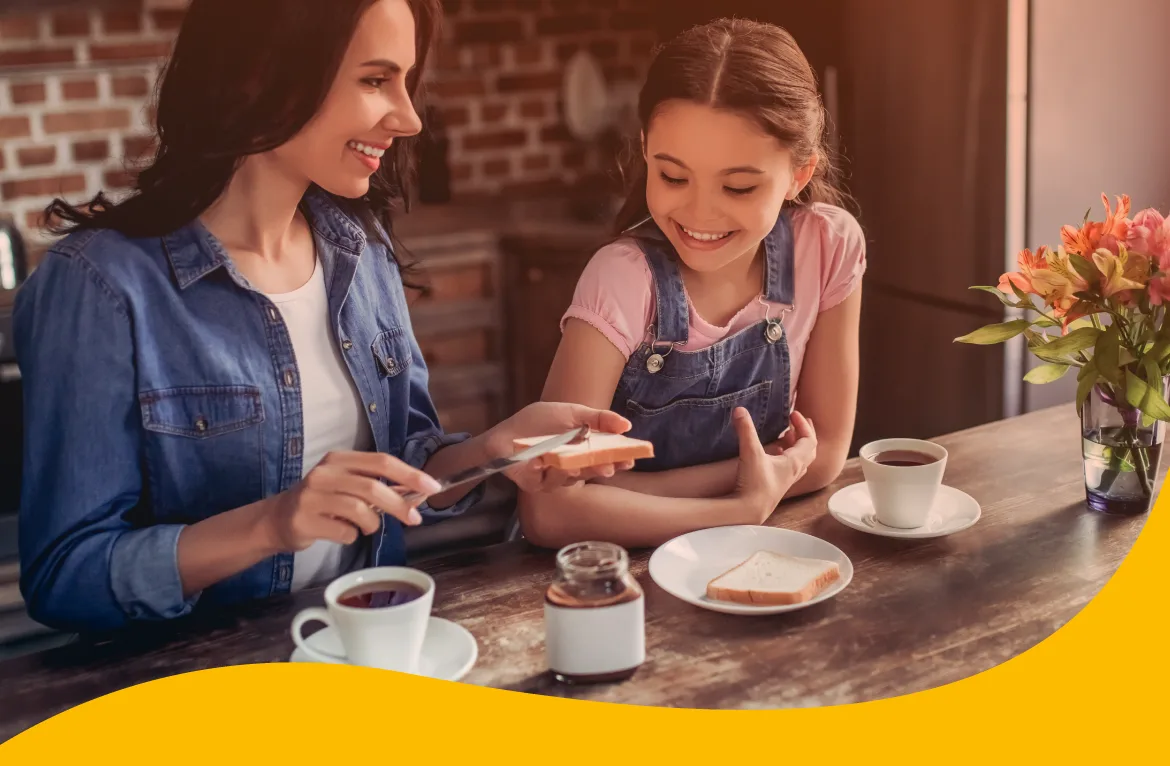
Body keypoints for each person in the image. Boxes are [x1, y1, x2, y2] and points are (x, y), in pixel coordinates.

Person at [13, 0, 632, 635]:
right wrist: (272, 523)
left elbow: (404, 471)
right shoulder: (99, 286)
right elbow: (65, 575)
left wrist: (495, 450)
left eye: (406, 82)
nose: (410, 117)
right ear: (264, 74)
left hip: (366, 648)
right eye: (374, 80)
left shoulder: (360, 252)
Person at [518, 18, 866, 549]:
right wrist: (742, 502)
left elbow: (824, 452)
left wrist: (637, 493)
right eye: (673, 177)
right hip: (611, 576)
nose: (700, 212)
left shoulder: (828, 245)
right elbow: (548, 509)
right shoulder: (623, 279)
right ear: (644, 149)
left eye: (739, 186)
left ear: (799, 174)